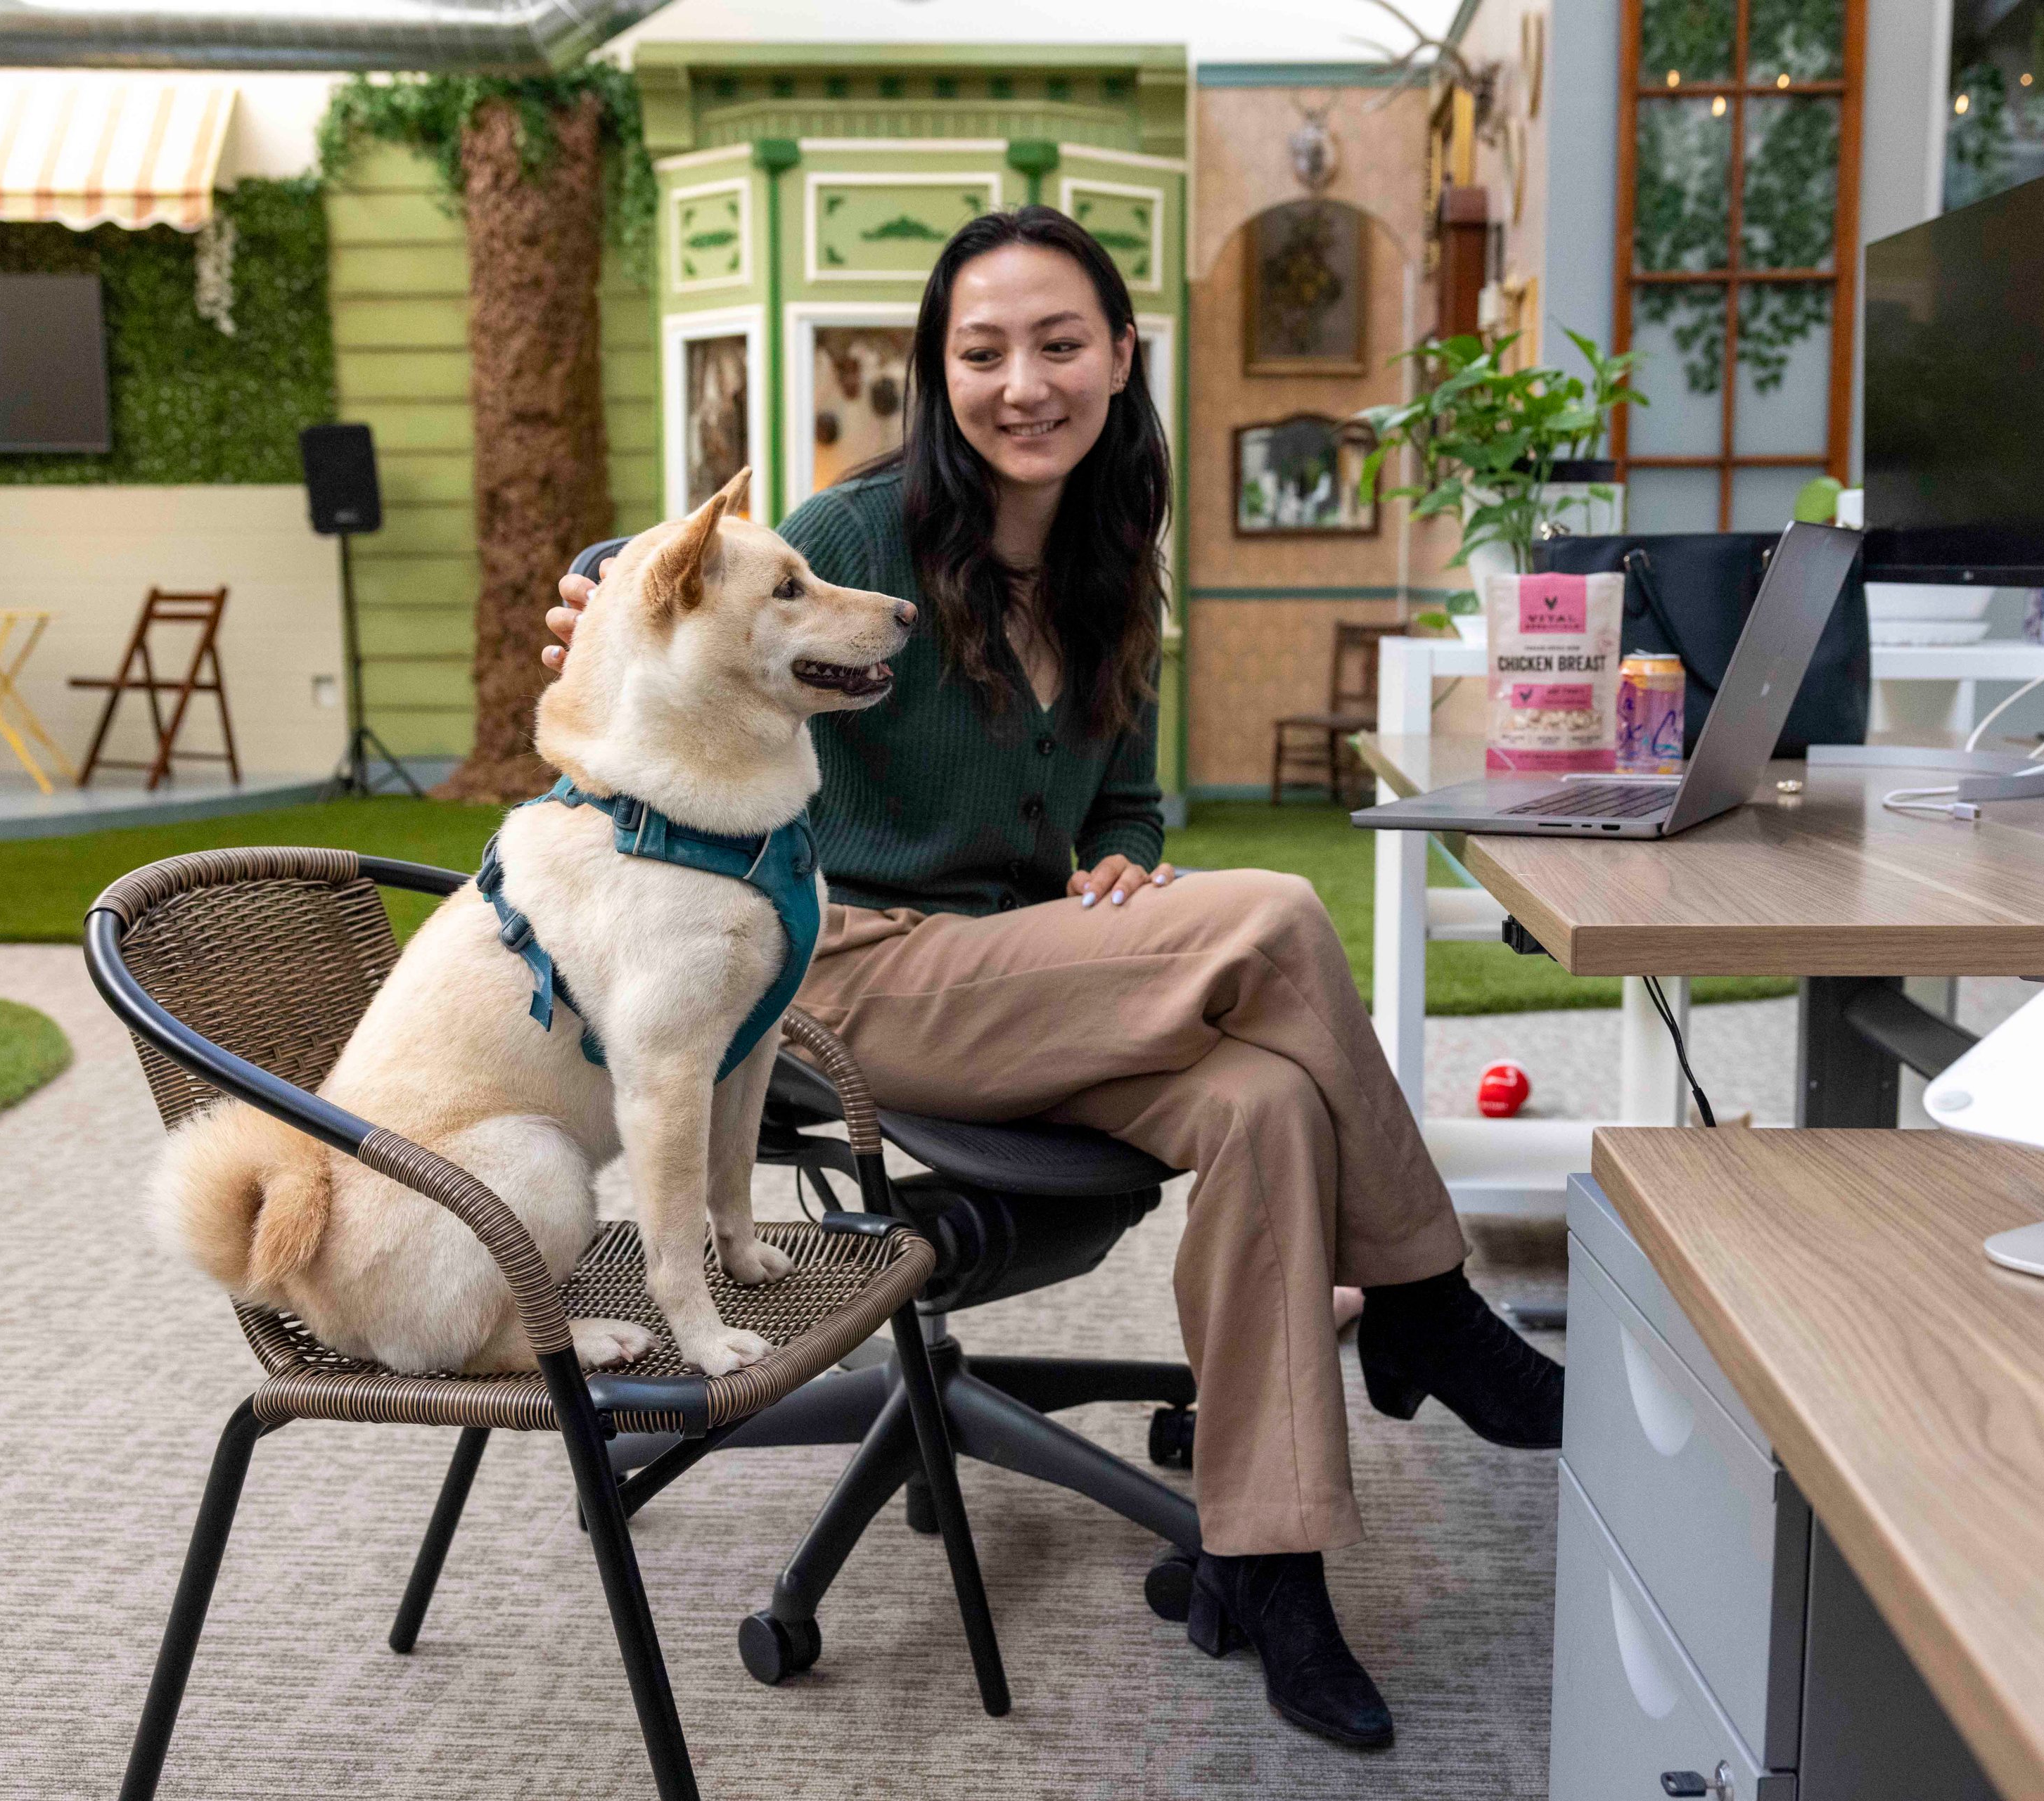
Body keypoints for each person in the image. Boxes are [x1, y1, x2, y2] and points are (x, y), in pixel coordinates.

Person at [546, 205, 1561, 1752]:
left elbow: (1129, 805)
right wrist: (601, 584)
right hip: (849, 978)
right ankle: (1426, 1299)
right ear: (937, 376)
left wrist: (1124, 866)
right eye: (982, 351)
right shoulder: (853, 539)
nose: (1024, 380)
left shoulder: (1110, 574)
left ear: (1121, 355)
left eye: (1060, 342)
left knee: (1269, 1103)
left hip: (1023, 975)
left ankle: (1265, 1566)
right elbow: (670, 597)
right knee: (1281, 916)